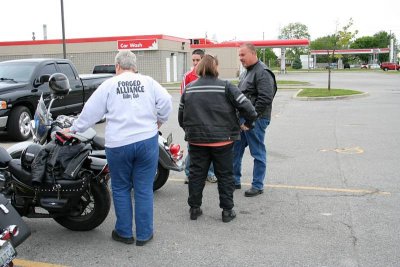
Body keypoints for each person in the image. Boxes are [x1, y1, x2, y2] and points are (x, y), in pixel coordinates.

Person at [66, 50, 172, 245]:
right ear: (135, 66)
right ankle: (144, 234)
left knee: (121, 187)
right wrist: (159, 121)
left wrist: (73, 130)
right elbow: (166, 102)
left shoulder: (109, 84)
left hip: (118, 144)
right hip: (146, 141)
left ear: (117, 67)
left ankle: (124, 232)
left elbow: (91, 112)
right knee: (143, 189)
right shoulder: (148, 82)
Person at [178, 54, 257, 222]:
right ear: (216, 68)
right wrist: (247, 124)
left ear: (199, 68)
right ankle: (227, 211)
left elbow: (181, 116)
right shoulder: (227, 87)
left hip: (197, 141)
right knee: (225, 175)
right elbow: (249, 109)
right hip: (224, 141)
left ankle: (194, 208)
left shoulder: (189, 88)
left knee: (196, 175)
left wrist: (191, 131)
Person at [233, 43, 277, 197]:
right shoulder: (246, 72)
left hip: (256, 120)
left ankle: (257, 185)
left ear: (253, 53)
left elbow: (265, 98)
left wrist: (250, 120)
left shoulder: (263, 72)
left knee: (257, 152)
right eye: (239, 55)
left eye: (243, 55)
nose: (240, 58)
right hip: (243, 119)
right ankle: (234, 180)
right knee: (235, 150)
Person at [181, 49, 217, 184]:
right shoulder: (188, 76)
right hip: (194, 120)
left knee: (212, 146)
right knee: (193, 147)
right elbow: (184, 100)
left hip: (210, 119)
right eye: (193, 60)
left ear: (204, 61)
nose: (195, 63)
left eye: (198, 60)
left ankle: (210, 173)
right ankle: (189, 173)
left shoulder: (211, 76)